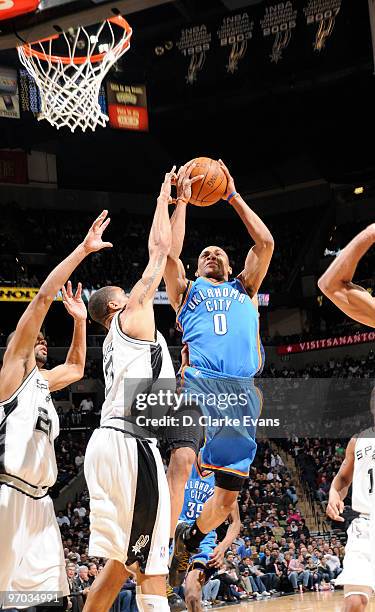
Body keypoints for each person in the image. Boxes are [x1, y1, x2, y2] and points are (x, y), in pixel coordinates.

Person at [164, 160, 273, 580]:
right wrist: (184, 203)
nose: (211, 254)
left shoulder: (243, 288)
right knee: (185, 457)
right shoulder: (187, 291)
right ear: (197, 269)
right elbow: (170, 254)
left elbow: (265, 244)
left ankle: (190, 539)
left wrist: (232, 195)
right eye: (205, 254)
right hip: (198, 384)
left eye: (219, 254)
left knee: (227, 501)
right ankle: (157, 548)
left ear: (231, 268)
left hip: (240, 395)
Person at [0, 210, 111, 611]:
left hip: (41, 503)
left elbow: (78, 367)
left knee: (50, 601)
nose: (44, 340)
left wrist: (80, 321)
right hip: (8, 497)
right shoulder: (12, 373)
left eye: (48, 337)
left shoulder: (43, 382)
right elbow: (44, 298)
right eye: (38, 337)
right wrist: (83, 250)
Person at [83, 168, 177, 612]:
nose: (143, 292)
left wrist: (181, 209)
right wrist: (163, 199)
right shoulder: (132, 316)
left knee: (120, 564)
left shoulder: (115, 343)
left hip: (108, 443)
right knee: (154, 566)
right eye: (132, 291)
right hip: (129, 444)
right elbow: (160, 252)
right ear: (119, 304)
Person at [326, 403, 375, 610]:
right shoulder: (358, 440)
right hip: (365, 525)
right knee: (355, 601)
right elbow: (342, 479)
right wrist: (334, 495)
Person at [175, 461, 241, 612]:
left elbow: (235, 522)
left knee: (192, 595)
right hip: (176, 535)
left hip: (203, 540)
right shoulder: (183, 463)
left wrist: (222, 546)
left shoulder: (223, 481)